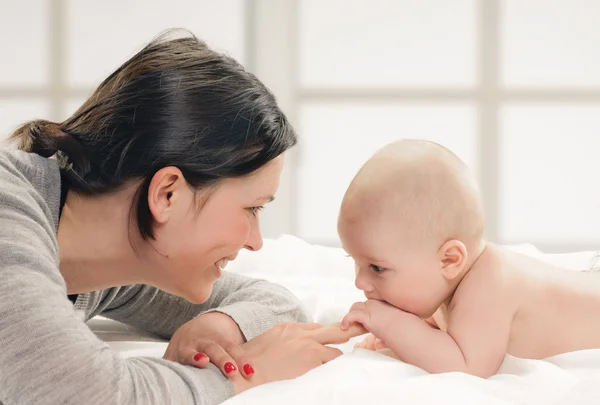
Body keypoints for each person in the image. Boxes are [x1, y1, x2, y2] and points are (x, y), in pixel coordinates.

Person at [0, 31, 363, 405]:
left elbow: (277, 303)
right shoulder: (8, 216)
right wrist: (251, 374)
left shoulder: (105, 268)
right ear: (167, 193)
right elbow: (88, 393)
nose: (255, 240)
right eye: (252, 208)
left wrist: (219, 326)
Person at [338, 139, 600, 378]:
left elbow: (466, 366)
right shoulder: (446, 285)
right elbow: (440, 328)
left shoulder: (490, 285)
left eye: (376, 267)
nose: (359, 281)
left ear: (450, 260)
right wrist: (407, 339)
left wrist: (392, 325)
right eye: (356, 262)